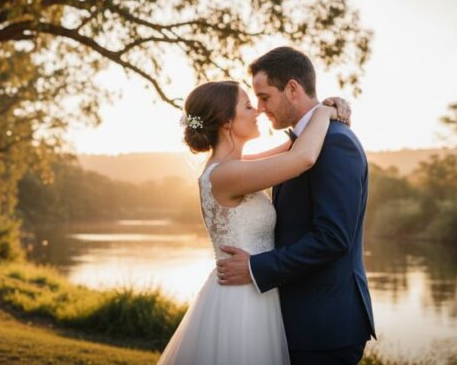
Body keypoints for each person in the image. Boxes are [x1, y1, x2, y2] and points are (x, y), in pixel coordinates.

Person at [157, 72, 351, 364]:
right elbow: (303, 159)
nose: (258, 109)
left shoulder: (232, 167)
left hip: (256, 290)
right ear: (226, 122)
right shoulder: (225, 175)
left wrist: (324, 108)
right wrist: (324, 112)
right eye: (248, 106)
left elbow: (293, 147)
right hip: (241, 301)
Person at [216, 46, 376, 365]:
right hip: (295, 319)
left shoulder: (336, 143)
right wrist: (326, 110)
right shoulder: (300, 146)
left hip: (324, 326)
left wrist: (255, 268)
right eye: (254, 102)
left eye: (264, 97)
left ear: (292, 89)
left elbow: (333, 238)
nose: (260, 108)